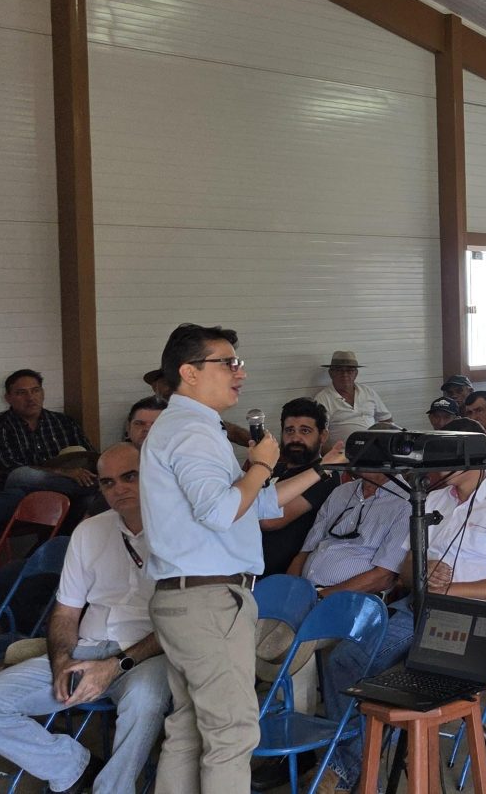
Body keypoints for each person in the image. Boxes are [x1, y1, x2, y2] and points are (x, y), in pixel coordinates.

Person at [140, 324, 340, 794]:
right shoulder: (192, 432)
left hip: (189, 598)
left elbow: (256, 504)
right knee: (232, 734)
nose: (240, 373)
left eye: (239, 362)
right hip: (208, 601)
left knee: (189, 730)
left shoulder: (190, 426)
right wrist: (263, 463)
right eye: (227, 363)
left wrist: (321, 468)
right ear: (189, 372)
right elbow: (221, 510)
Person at [325, 417, 486, 789]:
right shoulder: (430, 500)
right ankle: (352, 764)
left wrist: (450, 589)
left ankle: (347, 770)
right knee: (345, 658)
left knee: (394, 676)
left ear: (472, 455)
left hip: (472, 618)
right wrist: (422, 568)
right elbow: (405, 567)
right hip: (417, 608)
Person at [0, 442, 171, 794]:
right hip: (87, 648)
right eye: (107, 482)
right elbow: (66, 611)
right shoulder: (89, 531)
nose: (118, 488)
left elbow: (177, 622)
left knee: (144, 699)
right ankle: (74, 767)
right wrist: (61, 662)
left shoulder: (178, 530)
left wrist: (114, 666)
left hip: (148, 655)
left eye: (129, 476)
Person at [287, 470, 407, 598]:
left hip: (348, 600)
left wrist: (319, 597)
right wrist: (289, 590)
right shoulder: (341, 491)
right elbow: (305, 551)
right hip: (304, 591)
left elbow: (384, 577)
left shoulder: (407, 502)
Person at [0, 368, 95, 498]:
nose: (30, 398)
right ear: (8, 398)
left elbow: (90, 456)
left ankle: (83, 489)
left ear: (43, 393)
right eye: (21, 393)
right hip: (20, 492)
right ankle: (86, 488)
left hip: (69, 483)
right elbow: (4, 469)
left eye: (35, 390)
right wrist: (63, 473)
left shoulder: (63, 422)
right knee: (25, 474)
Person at [258, 398, 342, 576]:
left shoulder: (325, 476)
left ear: (323, 435)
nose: (295, 438)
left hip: (279, 574)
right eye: (289, 430)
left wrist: (239, 508)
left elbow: (270, 521)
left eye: (305, 431)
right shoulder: (274, 468)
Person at [312, 351, 393, 443]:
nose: (345, 374)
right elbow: (319, 436)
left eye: (350, 370)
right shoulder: (323, 399)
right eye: (339, 370)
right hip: (344, 451)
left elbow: (386, 419)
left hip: (373, 447)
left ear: (356, 373)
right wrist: (334, 452)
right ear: (331, 373)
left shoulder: (368, 392)